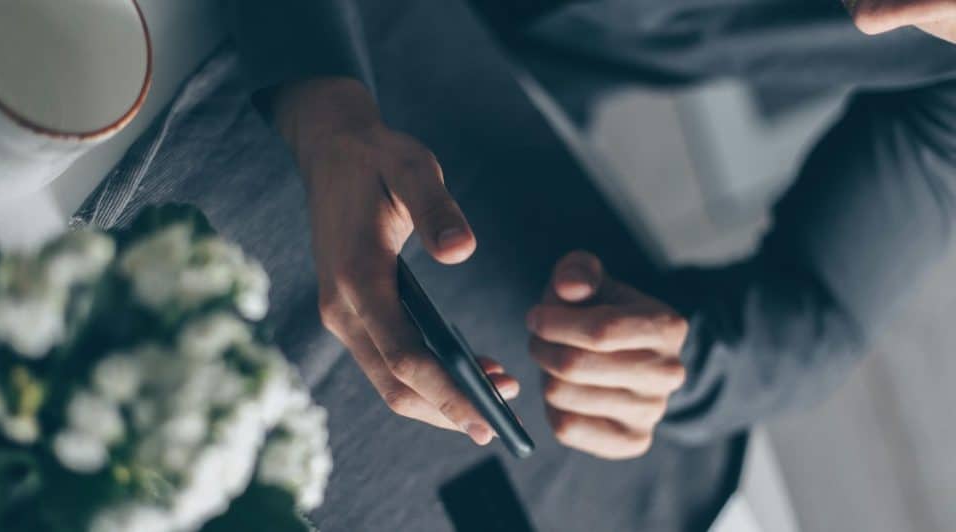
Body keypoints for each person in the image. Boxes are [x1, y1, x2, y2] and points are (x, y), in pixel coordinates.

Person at [225, 0, 956, 460]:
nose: (875, 19)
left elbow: (826, 308)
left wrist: (675, 365)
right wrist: (316, 90)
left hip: (515, 86)